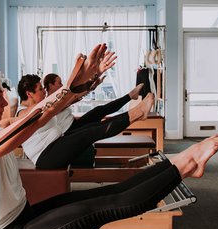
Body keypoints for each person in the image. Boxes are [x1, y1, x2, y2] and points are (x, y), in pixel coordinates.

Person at [0, 43, 218, 229]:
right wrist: (72, 85)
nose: (5, 101)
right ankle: (188, 164)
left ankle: (178, 163)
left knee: (105, 194)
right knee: (106, 206)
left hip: (24, 219)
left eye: (3, 94)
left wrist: (82, 84)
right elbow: (36, 119)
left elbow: (41, 115)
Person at [17, 72, 152, 169]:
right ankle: (137, 113)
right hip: (45, 157)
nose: (44, 92)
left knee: (94, 125)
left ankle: (137, 112)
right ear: (29, 94)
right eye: (40, 89)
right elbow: (67, 99)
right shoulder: (23, 113)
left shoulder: (36, 107)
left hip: (55, 144)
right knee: (90, 133)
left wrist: (88, 85)